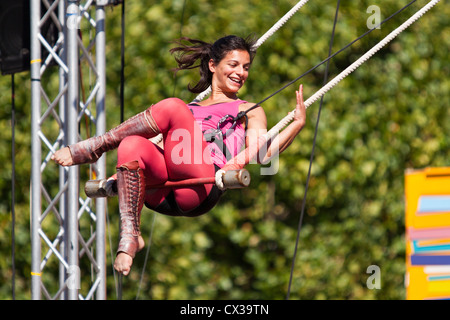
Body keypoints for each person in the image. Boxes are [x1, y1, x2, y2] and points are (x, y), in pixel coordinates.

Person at [52, 35, 306, 276]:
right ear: (213, 65)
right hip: (159, 194)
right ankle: (130, 236)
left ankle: (93, 147)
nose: (241, 73)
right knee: (131, 143)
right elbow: (152, 148)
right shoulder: (190, 110)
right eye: (234, 65)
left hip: (199, 187)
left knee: (173, 106)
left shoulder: (248, 109)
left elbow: (264, 154)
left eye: (246, 67)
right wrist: (117, 175)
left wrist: (295, 125)